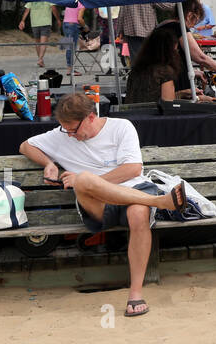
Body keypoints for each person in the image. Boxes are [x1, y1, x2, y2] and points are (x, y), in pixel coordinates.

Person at [19, 93, 186, 318]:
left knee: (135, 212)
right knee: (85, 180)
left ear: (90, 117)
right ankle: (160, 202)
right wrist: (49, 163)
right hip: (99, 206)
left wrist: (94, 183)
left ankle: (135, 293)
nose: (70, 135)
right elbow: (25, 146)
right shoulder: (63, 134)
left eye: (73, 130)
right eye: (65, 130)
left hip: (133, 191)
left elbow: (133, 169)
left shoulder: (121, 127)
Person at [124, 22, 203, 103]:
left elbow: (154, 98)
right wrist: (198, 99)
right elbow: (168, 105)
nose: (177, 53)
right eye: (175, 50)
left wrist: (181, 93)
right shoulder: (165, 72)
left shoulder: (136, 69)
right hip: (151, 114)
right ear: (169, 51)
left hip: (132, 113)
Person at [17, 0, 60, 68]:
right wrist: (58, 19)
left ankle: (40, 60)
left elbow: (27, 10)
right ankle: (40, 59)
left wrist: (22, 21)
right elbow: (54, 8)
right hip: (45, 22)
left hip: (35, 23)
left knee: (37, 43)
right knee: (43, 43)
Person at [119, 3, 157, 67]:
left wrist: (120, 30)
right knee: (150, 58)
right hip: (148, 29)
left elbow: (122, 12)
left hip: (132, 30)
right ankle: (148, 74)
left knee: (136, 59)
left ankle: (138, 74)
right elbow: (167, 5)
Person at [61, 1, 86, 75]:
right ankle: (70, 69)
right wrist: (85, 27)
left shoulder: (71, 1)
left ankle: (69, 68)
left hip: (65, 24)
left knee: (68, 47)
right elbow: (79, 19)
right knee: (71, 48)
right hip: (73, 25)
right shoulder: (82, 4)